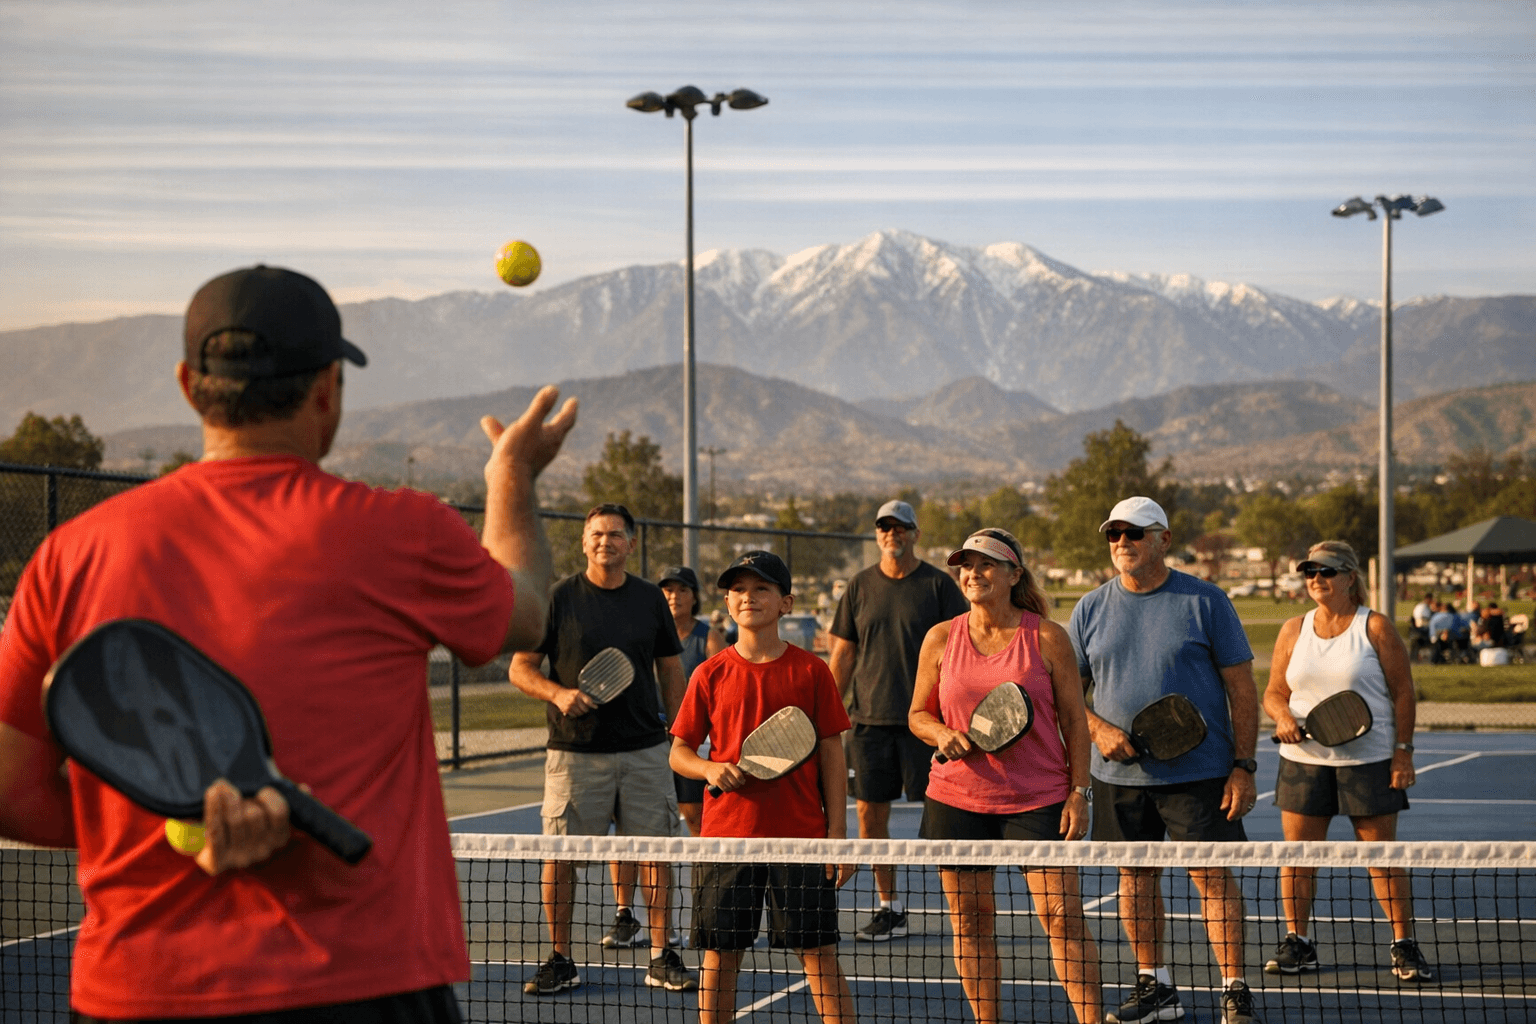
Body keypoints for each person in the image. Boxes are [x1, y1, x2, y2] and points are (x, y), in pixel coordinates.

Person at [0, 264, 576, 1021]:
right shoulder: (399, 530)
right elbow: (526, 612)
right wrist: (513, 476)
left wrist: (162, 824)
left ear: (187, 385)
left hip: (137, 991)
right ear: (328, 389)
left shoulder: (69, 555)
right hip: (366, 986)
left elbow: (8, 789)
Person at [1067, 496, 1263, 1024]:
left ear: (1163, 540)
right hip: (1117, 776)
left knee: (1213, 878)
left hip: (1200, 773)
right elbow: (1067, 694)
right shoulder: (1089, 608)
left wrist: (1243, 767)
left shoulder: (1206, 601)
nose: (1122, 543)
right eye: (1114, 534)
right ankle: (1156, 986)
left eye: (1134, 533)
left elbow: (1242, 689)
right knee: (1134, 879)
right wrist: (1097, 729)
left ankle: (1234, 987)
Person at [909, 529, 1101, 1024]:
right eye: (966, 565)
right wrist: (940, 733)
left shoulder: (1047, 637)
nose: (974, 573)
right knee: (971, 923)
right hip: (956, 800)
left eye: (987, 564)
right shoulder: (940, 638)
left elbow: (1075, 721)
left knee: (1062, 918)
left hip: (1038, 799)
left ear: (1015, 575)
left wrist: (1079, 792)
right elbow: (917, 714)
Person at [508, 503, 696, 994]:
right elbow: (520, 668)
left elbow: (670, 670)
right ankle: (560, 958)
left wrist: (679, 731)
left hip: (644, 751)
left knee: (656, 854)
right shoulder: (558, 598)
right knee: (559, 858)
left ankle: (661, 956)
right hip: (574, 753)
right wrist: (557, 694)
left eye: (614, 535)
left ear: (630, 544)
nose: (604, 541)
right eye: (596, 534)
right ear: (584, 542)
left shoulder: (650, 599)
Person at [671, 551, 855, 1024]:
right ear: (727, 603)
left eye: (761, 589)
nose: (747, 597)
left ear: (785, 603)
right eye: (738, 590)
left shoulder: (812, 671)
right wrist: (709, 770)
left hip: (801, 840)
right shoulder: (709, 673)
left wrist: (837, 833)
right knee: (720, 956)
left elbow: (832, 755)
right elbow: (679, 752)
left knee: (818, 955)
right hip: (725, 841)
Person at [1262, 541, 1435, 983]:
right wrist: (1282, 717)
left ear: (1350, 577)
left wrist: (1403, 751)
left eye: (1327, 571)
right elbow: (1275, 692)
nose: (1316, 579)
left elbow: (1403, 692)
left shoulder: (1374, 626)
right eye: (1310, 572)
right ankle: (1298, 942)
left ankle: (1403, 944)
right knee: (1298, 856)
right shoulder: (1293, 630)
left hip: (1369, 760)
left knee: (1381, 856)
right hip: (1303, 760)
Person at [828, 498, 970, 941]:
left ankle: (964, 908)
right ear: (877, 535)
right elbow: (843, 655)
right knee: (870, 817)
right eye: (885, 527)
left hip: (928, 724)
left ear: (915, 534)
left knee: (945, 816)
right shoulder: (859, 586)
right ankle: (890, 908)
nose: (893, 534)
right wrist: (825, 713)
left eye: (901, 527)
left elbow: (964, 649)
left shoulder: (939, 586)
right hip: (869, 724)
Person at [660, 565, 729, 838]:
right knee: (648, 825)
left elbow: (724, 693)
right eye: (668, 590)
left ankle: (704, 866)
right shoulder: (650, 635)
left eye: (682, 590)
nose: (674, 596)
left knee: (696, 819)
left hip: (691, 742)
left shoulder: (709, 637)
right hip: (651, 742)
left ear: (694, 597)